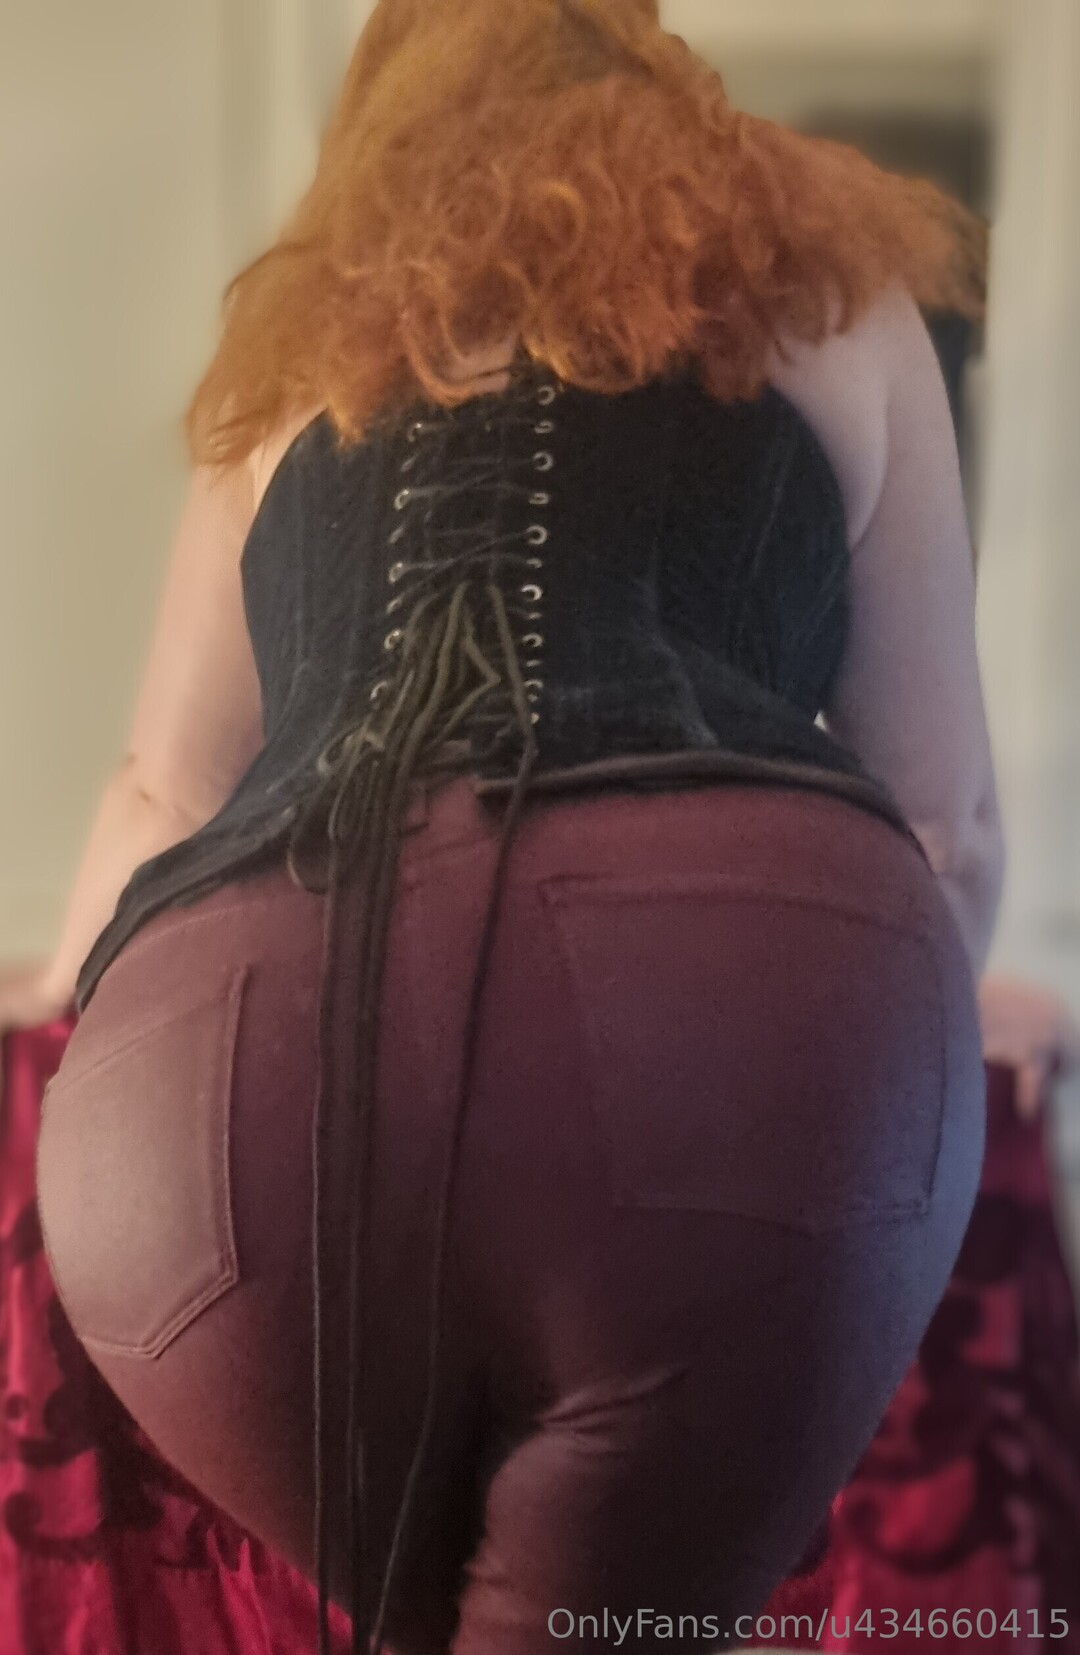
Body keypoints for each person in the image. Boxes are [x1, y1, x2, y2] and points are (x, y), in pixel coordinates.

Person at [11, 1, 1006, 1650]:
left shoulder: (305, 347)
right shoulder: (830, 284)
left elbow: (163, 796)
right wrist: (905, 1086)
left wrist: (59, 1021)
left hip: (210, 1090)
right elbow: (945, 816)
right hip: (734, 1012)